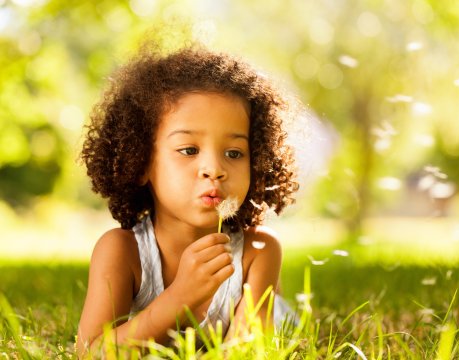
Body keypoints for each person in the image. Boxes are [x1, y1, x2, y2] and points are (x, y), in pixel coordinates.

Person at [76, 43, 299, 356]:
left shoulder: (258, 252)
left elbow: (247, 349)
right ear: (140, 162)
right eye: (189, 150)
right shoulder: (121, 251)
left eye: (234, 153)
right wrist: (181, 296)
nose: (214, 169)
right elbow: (91, 351)